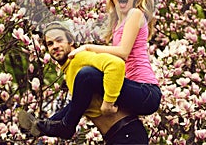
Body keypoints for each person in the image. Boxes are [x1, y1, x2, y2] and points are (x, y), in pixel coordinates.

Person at [18, 23, 149, 144]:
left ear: (71, 41)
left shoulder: (80, 58)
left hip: (127, 133)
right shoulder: (70, 69)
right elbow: (74, 106)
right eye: (50, 44)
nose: (55, 46)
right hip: (118, 135)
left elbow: (116, 64)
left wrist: (108, 103)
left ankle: (62, 127)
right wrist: (40, 125)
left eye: (59, 40)